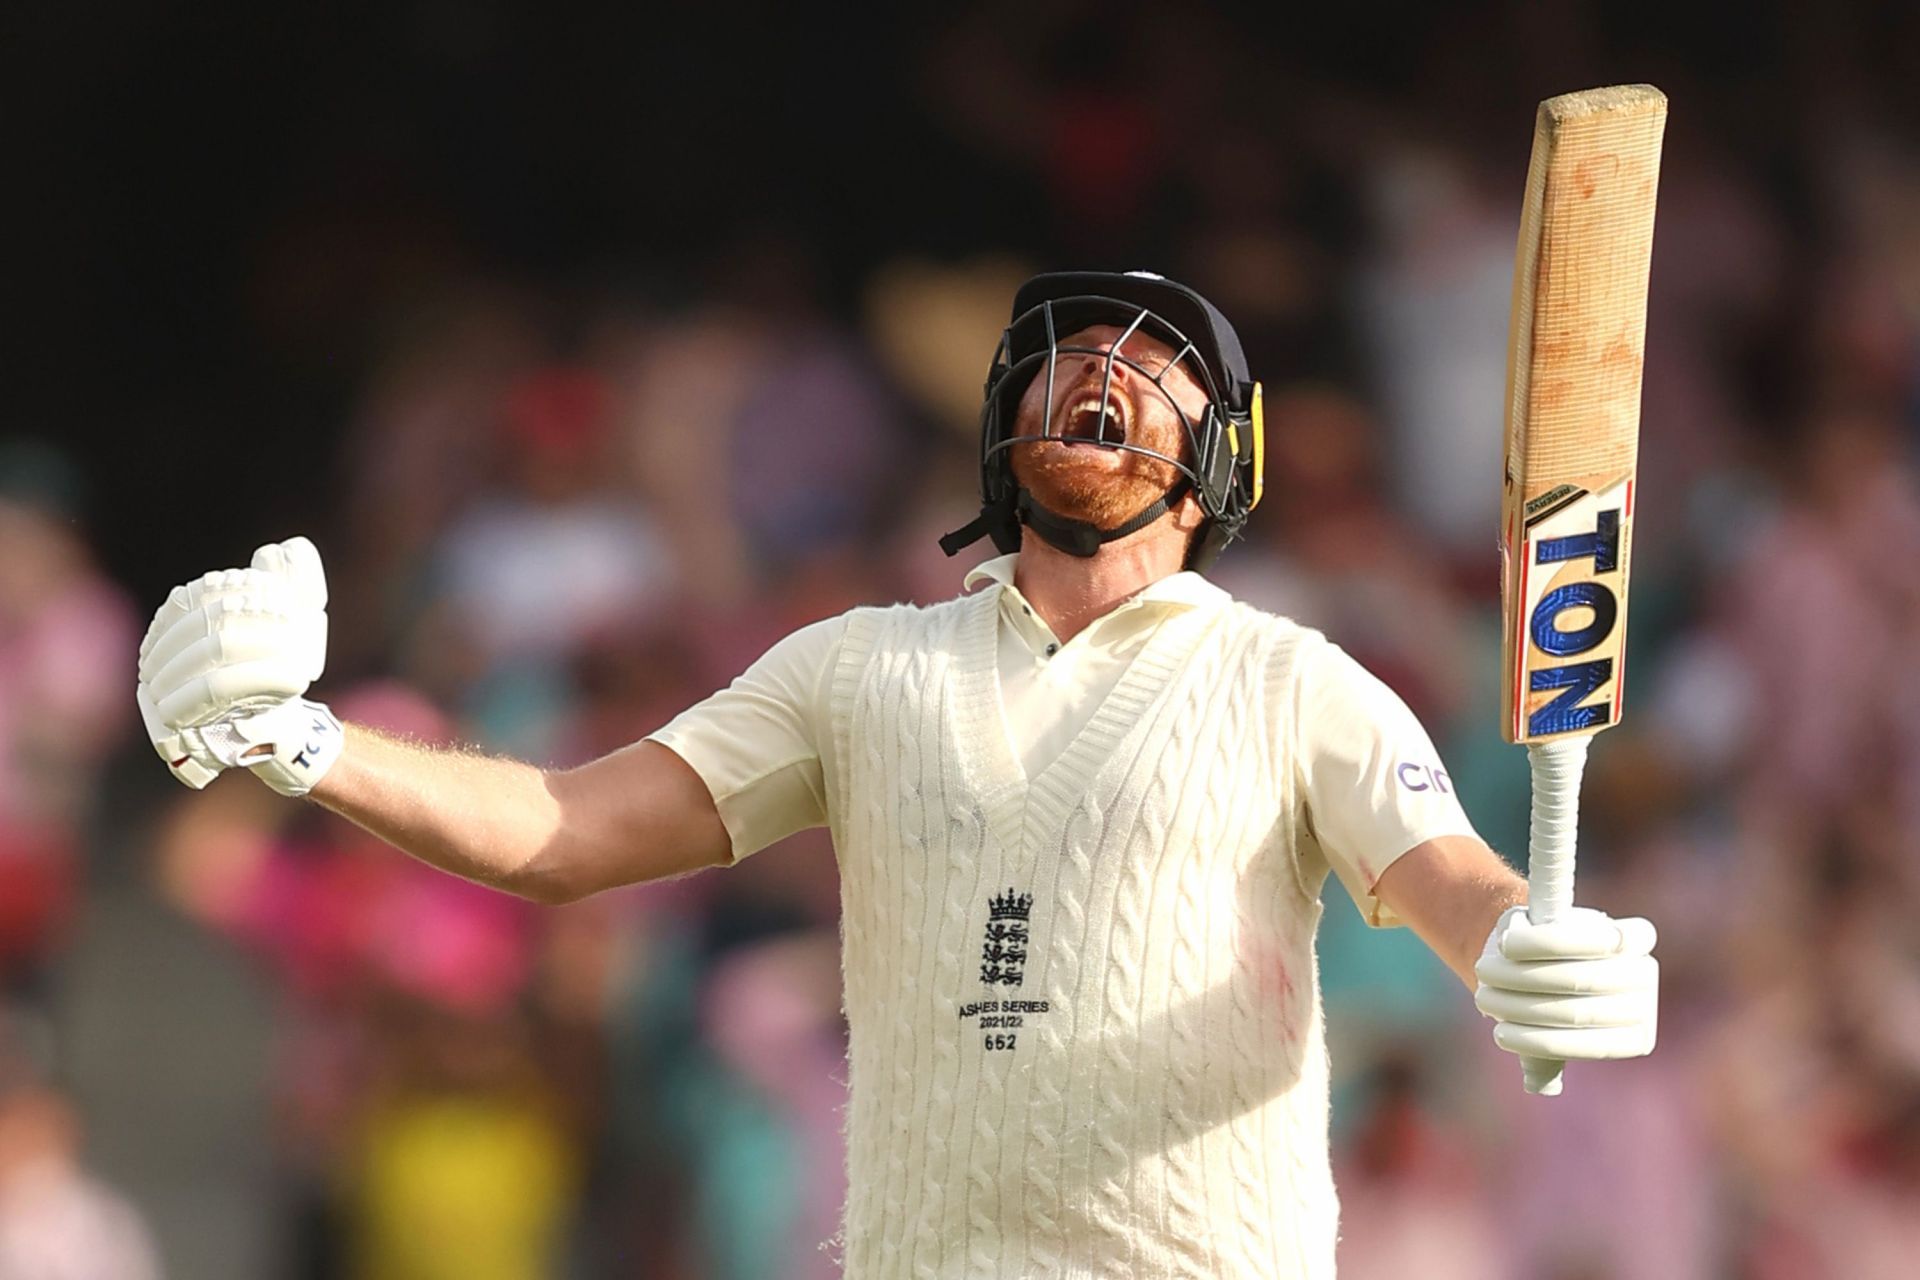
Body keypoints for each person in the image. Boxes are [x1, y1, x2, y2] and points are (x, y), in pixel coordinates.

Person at [135, 271, 1659, 1279]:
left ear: (1225, 461)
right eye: (1070, 363)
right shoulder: (856, 668)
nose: (1106, 382)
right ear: (1004, 428)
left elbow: (1446, 876)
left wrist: (1526, 945)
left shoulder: (1290, 678)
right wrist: (309, 743)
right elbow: (561, 831)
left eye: (1156, 371)